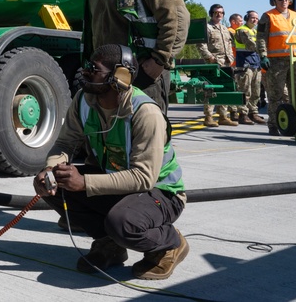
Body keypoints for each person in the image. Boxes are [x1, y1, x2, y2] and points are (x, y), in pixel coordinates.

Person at [34, 44, 189, 280]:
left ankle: (170, 243)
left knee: (123, 224)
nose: (84, 73)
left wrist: (84, 182)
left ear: (121, 77)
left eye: (93, 69)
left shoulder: (145, 113)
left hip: (160, 193)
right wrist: (49, 170)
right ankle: (110, 244)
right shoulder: (84, 100)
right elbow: (65, 143)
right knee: (56, 187)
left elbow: (143, 178)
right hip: (117, 183)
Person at [256, 0, 296, 136]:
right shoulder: (268, 16)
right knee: (276, 94)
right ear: (274, 1)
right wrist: (263, 55)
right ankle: (273, 124)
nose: (284, 1)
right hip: (276, 61)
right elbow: (261, 38)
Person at [197, 4, 238, 127]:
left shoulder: (225, 29)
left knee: (224, 89)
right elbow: (201, 45)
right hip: (212, 63)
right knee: (211, 89)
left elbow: (229, 45)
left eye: (221, 13)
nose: (219, 14)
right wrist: (210, 58)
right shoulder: (207, 28)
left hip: (226, 62)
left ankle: (223, 116)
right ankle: (208, 117)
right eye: (216, 12)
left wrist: (231, 57)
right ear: (211, 14)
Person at [234, 11, 266, 124]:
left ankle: (253, 112)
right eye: (253, 18)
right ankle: (243, 114)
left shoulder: (255, 31)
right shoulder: (242, 30)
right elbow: (251, 45)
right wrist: (264, 48)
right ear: (247, 18)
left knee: (256, 91)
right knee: (245, 90)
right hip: (245, 65)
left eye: (257, 18)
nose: (255, 20)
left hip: (256, 64)